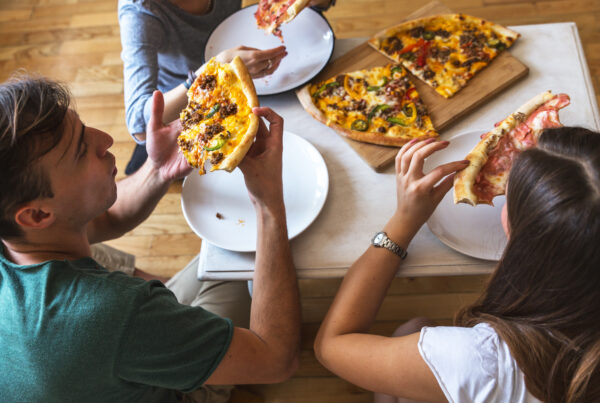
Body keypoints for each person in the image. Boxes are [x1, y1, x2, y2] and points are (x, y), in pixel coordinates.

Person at [0, 75, 301, 402]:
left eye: (85, 128)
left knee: (224, 259)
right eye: (81, 151)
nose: (106, 140)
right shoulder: (112, 312)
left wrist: (158, 170)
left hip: (105, 359)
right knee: (242, 256)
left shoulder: (19, 228)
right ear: (37, 215)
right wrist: (269, 204)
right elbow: (276, 359)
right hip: (162, 382)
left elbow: (108, 218)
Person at [314, 129, 600, 403]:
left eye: (507, 197)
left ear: (523, 239)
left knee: (409, 331)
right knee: (415, 328)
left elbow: (331, 346)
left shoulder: (484, 363)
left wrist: (403, 221)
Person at [119, 0, 335, 174]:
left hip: (246, 82)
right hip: (187, 109)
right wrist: (212, 70)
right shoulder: (139, 13)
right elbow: (138, 125)